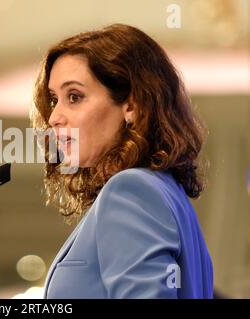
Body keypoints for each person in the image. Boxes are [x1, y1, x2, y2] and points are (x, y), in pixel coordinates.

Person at [31, 24, 214, 298]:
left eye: (74, 97)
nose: (54, 117)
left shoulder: (130, 190)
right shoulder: (162, 190)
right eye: (54, 99)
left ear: (131, 105)